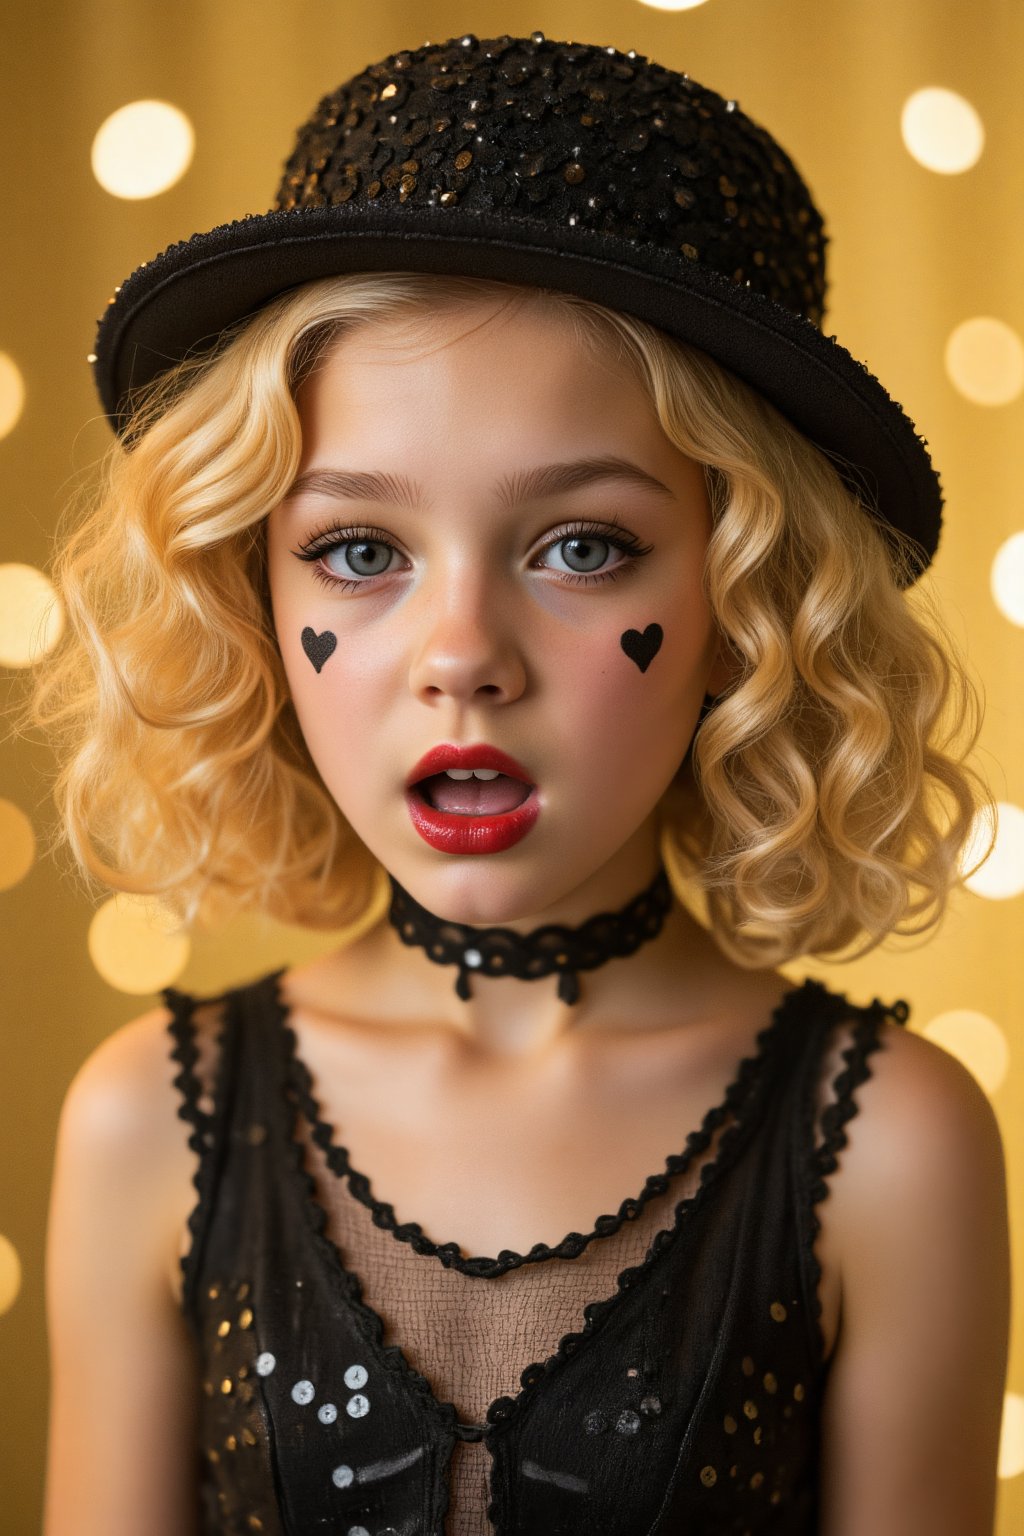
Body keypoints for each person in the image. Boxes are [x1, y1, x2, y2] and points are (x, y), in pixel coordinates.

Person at [30, 31, 1010, 1536]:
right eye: (360, 553)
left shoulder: (893, 1147)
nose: (463, 658)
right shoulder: (149, 1126)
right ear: (251, 597)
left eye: (582, 546)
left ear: (746, 597)